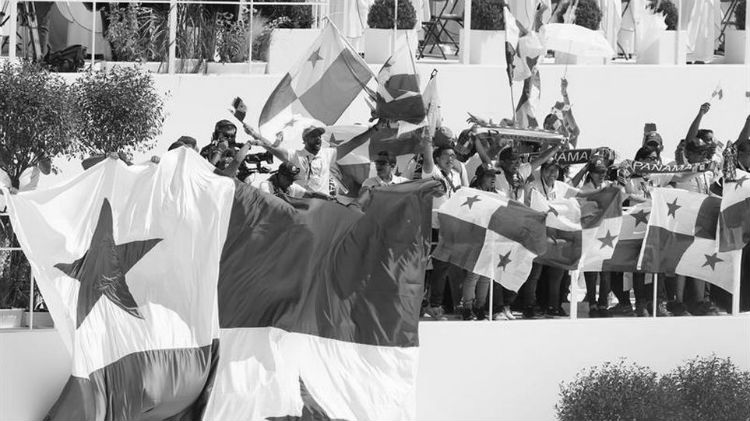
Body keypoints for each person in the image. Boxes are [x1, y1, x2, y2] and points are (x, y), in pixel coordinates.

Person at [421, 131, 469, 321]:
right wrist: (427, 140)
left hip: (450, 229)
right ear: (437, 159)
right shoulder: (432, 172)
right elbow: (427, 158)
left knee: (442, 268)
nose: (451, 159)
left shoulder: (456, 176)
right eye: (446, 156)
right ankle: (424, 303)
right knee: (426, 268)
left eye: (453, 156)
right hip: (431, 228)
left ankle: (436, 304)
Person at [247, 125, 341, 196]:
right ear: (305, 140)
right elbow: (272, 147)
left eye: (319, 136)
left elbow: (348, 148)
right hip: (299, 204)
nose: (318, 139)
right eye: (313, 136)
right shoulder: (295, 155)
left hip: (321, 204)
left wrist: (356, 137)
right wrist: (254, 134)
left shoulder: (328, 154)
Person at [579, 157, 614, 318]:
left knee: (606, 271)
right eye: (598, 172)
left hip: (606, 234)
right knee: (591, 270)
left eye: (604, 172)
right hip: (590, 233)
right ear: (591, 173)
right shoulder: (585, 188)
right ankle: (592, 303)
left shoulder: (608, 186)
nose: (601, 175)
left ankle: (603, 304)